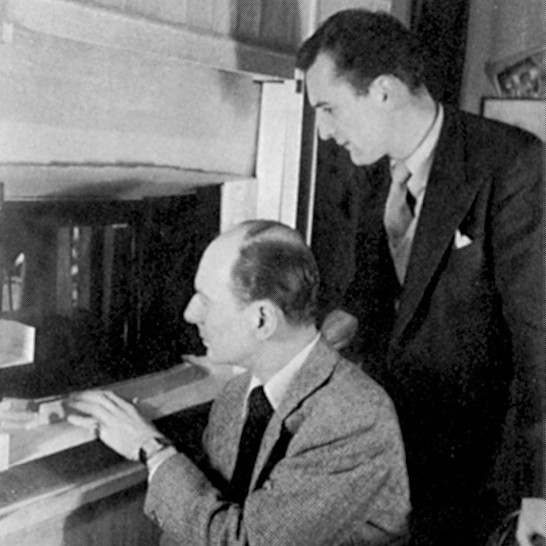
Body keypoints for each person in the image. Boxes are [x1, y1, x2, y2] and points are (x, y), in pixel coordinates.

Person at [295, 9, 544, 546]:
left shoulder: (512, 164)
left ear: (383, 91)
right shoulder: (372, 170)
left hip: (482, 468)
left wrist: (541, 491)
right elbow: (374, 291)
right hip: (396, 448)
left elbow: (540, 340)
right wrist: (307, 350)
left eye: (329, 108)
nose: (326, 132)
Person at [67, 220, 410, 546]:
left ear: (262, 319)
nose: (190, 313)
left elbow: (244, 541)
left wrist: (151, 449)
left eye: (206, 300)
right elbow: (196, 527)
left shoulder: (355, 415)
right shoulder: (237, 395)